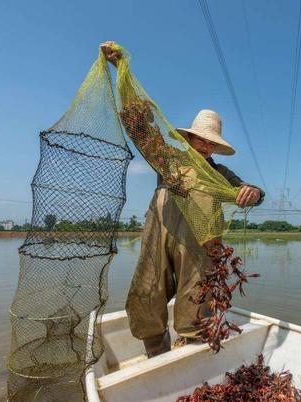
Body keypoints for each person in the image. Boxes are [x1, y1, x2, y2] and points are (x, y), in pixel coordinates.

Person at [100, 42, 265, 357]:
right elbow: (140, 132)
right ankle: (155, 351)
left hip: (201, 244)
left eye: (210, 144)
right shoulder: (169, 160)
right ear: (188, 139)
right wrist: (121, 70)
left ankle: (190, 349)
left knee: (197, 294)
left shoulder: (222, 174)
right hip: (161, 232)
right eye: (199, 140)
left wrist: (253, 193)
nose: (204, 147)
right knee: (148, 288)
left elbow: (250, 192)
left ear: (215, 149)